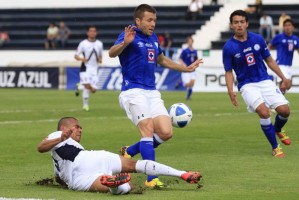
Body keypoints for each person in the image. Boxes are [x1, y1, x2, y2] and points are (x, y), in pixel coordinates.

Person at [108, 4, 203, 188]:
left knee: (166, 132)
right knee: (148, 130)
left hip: (152, 92)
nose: (153, 24)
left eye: (154, 20)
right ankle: (151, 178)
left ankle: (130, 151)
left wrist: (185, 68)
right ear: (138, 20)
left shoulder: (153, 38)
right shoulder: (130, 34)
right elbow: (112, 53)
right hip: (133, 91)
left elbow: (161, 59)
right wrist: (125, 43)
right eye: (149, 20)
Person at [37, 117, 202, 195]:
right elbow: (41, 147)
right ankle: (182, 174)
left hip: (85, 167)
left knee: (126, 186)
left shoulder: (62, 153)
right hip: (85, 162)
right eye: (76, 126)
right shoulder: (58, 134)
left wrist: (59, 182)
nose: (80, 129)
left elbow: (59, 177)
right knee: (136, 166)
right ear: (64, 127)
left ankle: (113, 183)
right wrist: (61, 137)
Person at [222, 10, 291, 158]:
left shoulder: (258, 39)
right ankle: (275, 147)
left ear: (247, 23)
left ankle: (278, 129)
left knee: (285, 111)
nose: (239, 25)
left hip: (265, 80)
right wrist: (230, 91)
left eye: (242, 22)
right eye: (236, 22)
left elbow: (270, 60)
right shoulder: (228, 47)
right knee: (264, 112)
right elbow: (228, 72)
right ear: (231, 25)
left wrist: (283, 78)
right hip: (247, 85)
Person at [74, 26, 103, 111]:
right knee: (87, 86)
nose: (92, 33)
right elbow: (76, 56)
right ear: (87, 33)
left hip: (94, 70)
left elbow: (100, 55)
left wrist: (100, 59)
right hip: (85, 68)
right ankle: (85, 106)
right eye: (90, 31)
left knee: (93, 90)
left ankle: (79, 86)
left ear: (96, 33)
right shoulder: (83, 43)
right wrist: (82, 59)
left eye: (94, 31)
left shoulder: (99, 44)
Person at [268, 19, 299, 91]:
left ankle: (277, 98)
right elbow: (269, 46)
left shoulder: (296, 39)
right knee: (284, 83)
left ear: (293, 27)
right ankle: (279, 101)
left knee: (288, 86)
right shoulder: (279, 37)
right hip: (280, 64)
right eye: (285, 25)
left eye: (289, 25)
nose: (287, 27)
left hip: (289, 65)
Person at [177, 36, 198, 100]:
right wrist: (183, 64)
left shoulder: (195, 51)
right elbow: (180, 59)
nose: (190, 43)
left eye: (191, 41)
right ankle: (180, 84)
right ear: (187, 43)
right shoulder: (185, 51)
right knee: (187, 85)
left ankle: (188, 97)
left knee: (192, 83)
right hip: (186, 70)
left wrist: (196, 65)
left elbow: (196, 60)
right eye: (189, 42)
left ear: (192, 42)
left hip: (192, 70)